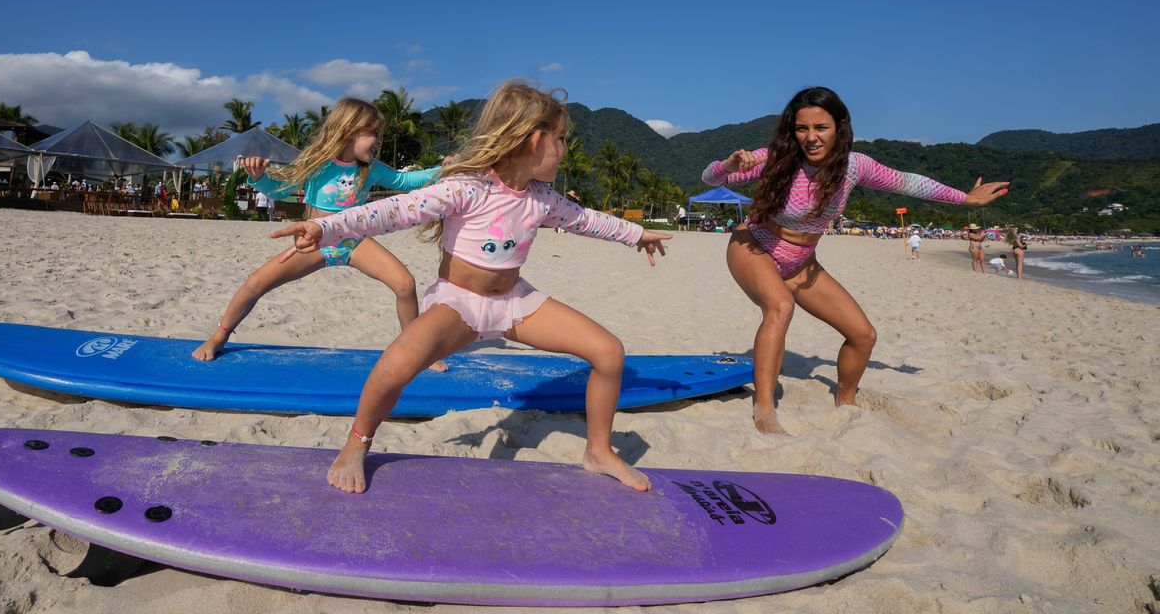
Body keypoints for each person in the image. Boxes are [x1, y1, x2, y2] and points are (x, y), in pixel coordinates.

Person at [271, 80, 672, 494]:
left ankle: (599, 451)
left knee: (609, 352)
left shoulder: (543, 198)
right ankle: (356, 444)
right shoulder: (468, 187)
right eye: (561, 139)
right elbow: (390, 212)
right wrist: (325, 226)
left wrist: (635, 234)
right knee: (394, 366)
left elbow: (587, 220)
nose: (565, 148)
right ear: (532, 140)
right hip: (458, 306)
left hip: (516, 303)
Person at [703, 86, 1008, 435]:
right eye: (802, 128)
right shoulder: (776, 157)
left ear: (840, 126)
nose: (811, 137)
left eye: (821, 128)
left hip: (801, 261)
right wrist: (726, 165)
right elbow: (711, 178)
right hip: (754, 244)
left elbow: (908, 183)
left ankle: (846, 400)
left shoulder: (854, 166)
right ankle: (765, 408)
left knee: (863, 335)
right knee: (780, 307)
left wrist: (964, 198)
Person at [191, 98, 443, 363]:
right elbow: (281, 190)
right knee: (255, 283)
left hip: (354, 242)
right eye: (374, 134)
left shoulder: (371, 169)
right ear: (350, 130)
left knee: (405, 284)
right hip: (314, 244)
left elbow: (405, 181)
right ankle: (218, 337)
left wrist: (445, 169)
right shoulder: (316, 163)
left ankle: (414, 352)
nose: (379, 140)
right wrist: (259, 178)